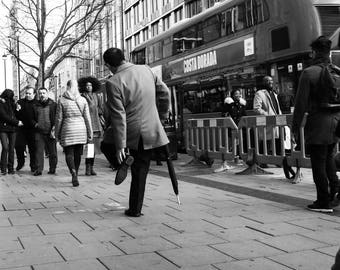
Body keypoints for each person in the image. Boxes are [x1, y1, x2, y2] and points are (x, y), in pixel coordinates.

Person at [103, 47, 170, 217]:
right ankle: (135, 209)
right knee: (141, 172)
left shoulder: (113, 82)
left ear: (108, 65)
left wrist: (121, 146)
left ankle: (123, 161)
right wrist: (161, 116)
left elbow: (119, 117)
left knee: (105, 144)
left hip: (131, 131)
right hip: (150, 129)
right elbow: (165, 92)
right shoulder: (146, 69)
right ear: (124, 58)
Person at [292, 35, 340, 213]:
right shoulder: (337, 72)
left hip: (318, 124)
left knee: (318, 163)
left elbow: (300, 105)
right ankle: (335, 189)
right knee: (328, 158)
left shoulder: (309, 73)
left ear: (314, 53)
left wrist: (295, 128)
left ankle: (323, 201)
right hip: (336, 124)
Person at [55, 80, 93, 187]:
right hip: (81, 129)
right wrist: (89, 132)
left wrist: (57, 134)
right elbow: (87, 118)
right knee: (77, 154)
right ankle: (75, 172)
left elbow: (59, 119)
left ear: (67, 87)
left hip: (67, 129)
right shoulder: (82, 99)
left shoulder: (62, 100)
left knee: (69, 153)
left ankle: (73, 172)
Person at [214, 89, 247, 173]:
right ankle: (224, 163)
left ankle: (236, 160)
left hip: (239, 127)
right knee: (229, 144)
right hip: (231, 128)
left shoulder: (241, 105)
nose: (238, 95)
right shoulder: (229, 104)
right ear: (232, 95)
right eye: (236, 94)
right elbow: (223, 114)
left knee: (237, 143)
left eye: (239, 94)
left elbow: (244, 115)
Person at [253, 76, 283, 167]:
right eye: (267, 81)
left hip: (277, 121)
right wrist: (267, 116)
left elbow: (277, 108)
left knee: (278, 141)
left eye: (271, 81)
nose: (270, 82)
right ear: (263, 83)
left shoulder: (274, 94)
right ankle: (262, 161)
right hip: (268, 121)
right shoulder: (259, 93)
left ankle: (279, 161)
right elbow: (256, 108)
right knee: (266, 141)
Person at [78, 76, 103, 176]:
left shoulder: (97, 96)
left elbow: (100, 109)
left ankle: (91, 167)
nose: (89, 87)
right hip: (87, 125)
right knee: (90, 147)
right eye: (87, 85)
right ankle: (88, 168)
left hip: (96, 125)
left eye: (90, 85)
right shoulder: (82, 97)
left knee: (94, 148)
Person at [33, 87, 58, 176]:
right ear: (38, 95)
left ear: (47, 94)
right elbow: (31, 117)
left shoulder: (53, 104)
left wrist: (54, 128)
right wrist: (35, 124)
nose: (42, 95)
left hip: (50, 131)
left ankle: (52, 168)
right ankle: (39, 169)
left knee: (52, 152)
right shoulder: (35, 105)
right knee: (39, 151)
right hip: (39, 132)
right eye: (40, 93)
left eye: (43, 93)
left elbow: (57, 117)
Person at [15, 86, 38, 172]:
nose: (27, 95)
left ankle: (33, 165)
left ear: (34, 94)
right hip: (21, 129)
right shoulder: (20, 102)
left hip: (33, 129)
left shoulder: (37, 103)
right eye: (26, 93)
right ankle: (21, 162)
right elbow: (15, 115)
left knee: (33, 149)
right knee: (19, 146)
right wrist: (17, 110)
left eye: (29, 93)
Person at [0, 89, 23, 175]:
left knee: (11, 148)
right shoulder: (1, 104)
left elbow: (16, 115)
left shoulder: (13, 104)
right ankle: (3, 168)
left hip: (12, 129)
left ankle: (10, 168)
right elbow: (4, 116)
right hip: (3, 128)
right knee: (5, 147)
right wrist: (17, 122)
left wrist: (18, 110)